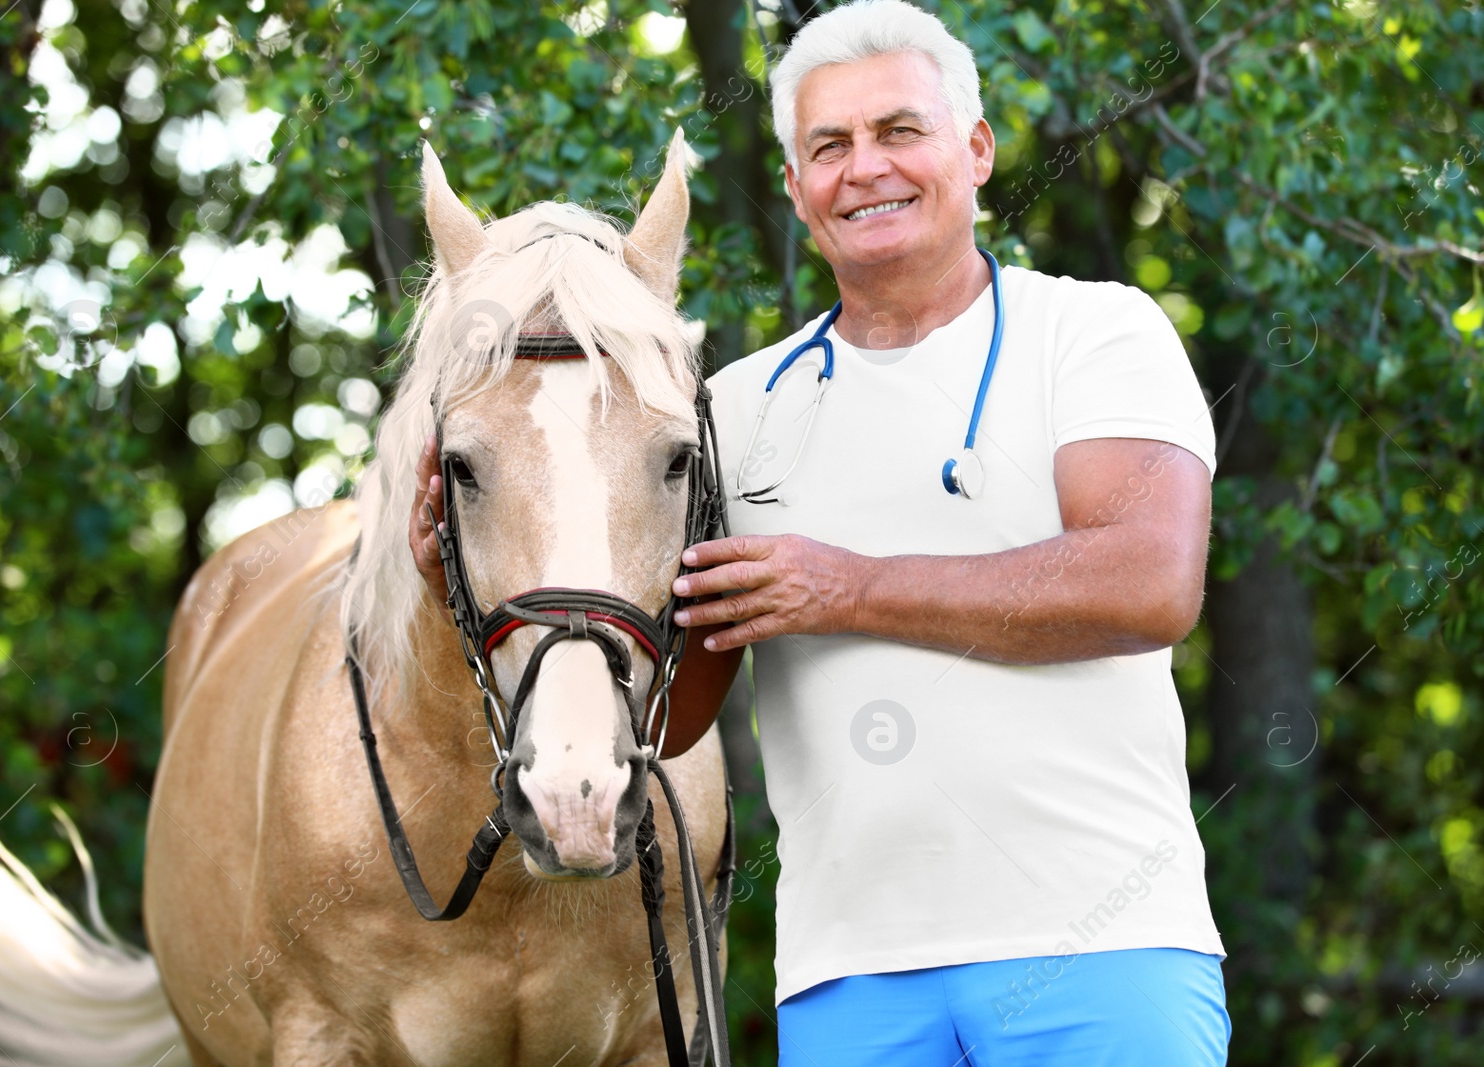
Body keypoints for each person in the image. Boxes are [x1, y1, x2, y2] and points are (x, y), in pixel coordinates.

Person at [411, 2, 1228, 1061]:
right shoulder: (731, 411)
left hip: (1105, 949)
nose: (865, 168)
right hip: (850, 982)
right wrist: (466, 586)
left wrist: (847, 588)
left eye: (900, 131)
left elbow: (1147, 583)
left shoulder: (1096, 330)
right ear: (795, 187)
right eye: (828, 146)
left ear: (975, 151)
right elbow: (667, 718)